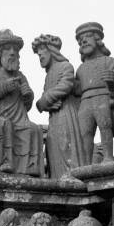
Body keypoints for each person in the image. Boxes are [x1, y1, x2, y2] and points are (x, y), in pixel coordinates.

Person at [0, 29, 44, 176]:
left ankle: (32, 165)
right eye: (8, 49)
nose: (13, 53)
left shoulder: (21, 76)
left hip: (20, 119)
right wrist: (4, 87)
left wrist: (28, 96)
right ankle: (6, 161)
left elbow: (26, 106)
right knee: (6, 125)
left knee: (34, 128)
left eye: (15, 49)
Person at [32, 33, 82, 176]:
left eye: (42, 50)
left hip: (66, 115)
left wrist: (44, 101)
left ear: (52, 50)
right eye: (38, 53)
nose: (40, 54)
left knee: (66, 148)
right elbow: (42, 102)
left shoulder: (65, 66)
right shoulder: (49, 75)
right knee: (53, 151)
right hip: (53, 118)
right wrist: (44, 104)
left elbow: (65, 86)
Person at [74, 22, 114, 164]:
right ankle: (86, 162)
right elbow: (77, 89)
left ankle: (108, 156)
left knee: (105, 126)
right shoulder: (80, 68)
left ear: (97, 40)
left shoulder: (109, 61)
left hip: (102, 96)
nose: (83, 41)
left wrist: (113, 79)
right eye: (80, 40)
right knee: (85, 133)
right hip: (85, 102)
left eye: (87, 36)